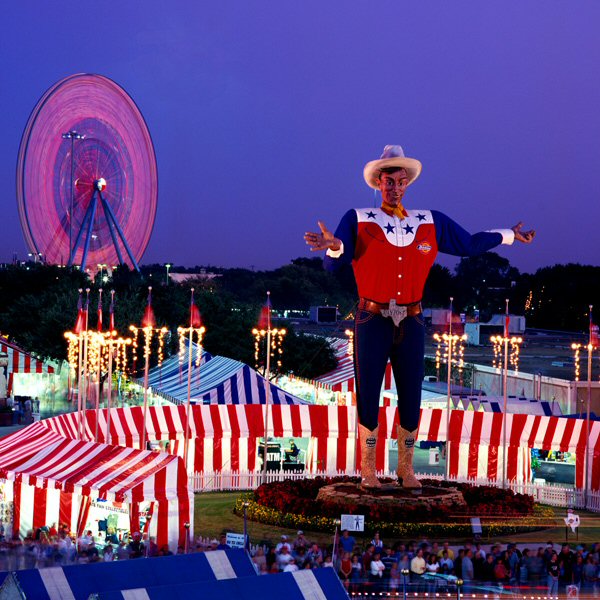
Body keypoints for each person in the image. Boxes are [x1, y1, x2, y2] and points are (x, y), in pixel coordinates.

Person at [304, 144, 535, 488]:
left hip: (411, 320)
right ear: (377, 183)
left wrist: (509, 235)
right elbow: (337, 257)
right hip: (372, 318)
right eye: (387, 181)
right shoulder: (359, 219)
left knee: (411, 392)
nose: (394, 187)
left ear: (408, 182)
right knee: (368, 392)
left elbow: (469, 243)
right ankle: (368, 469)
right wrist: (333, 245)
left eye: (400, 181)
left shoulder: (430, 221)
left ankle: (405, 468)